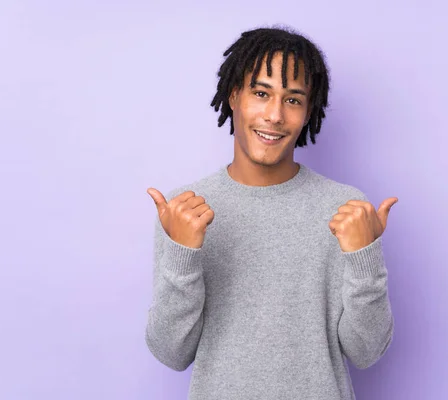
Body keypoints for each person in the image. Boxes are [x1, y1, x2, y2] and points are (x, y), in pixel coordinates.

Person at [145, 26, 398, 400]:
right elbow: (171, 352)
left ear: (308, 110)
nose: (275, 115)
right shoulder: (184, 208)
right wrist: (183, 257)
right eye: (261, 93)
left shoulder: (344, 209)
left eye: (293, 100)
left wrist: (364, 259)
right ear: (234, 96)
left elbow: (366, 352)